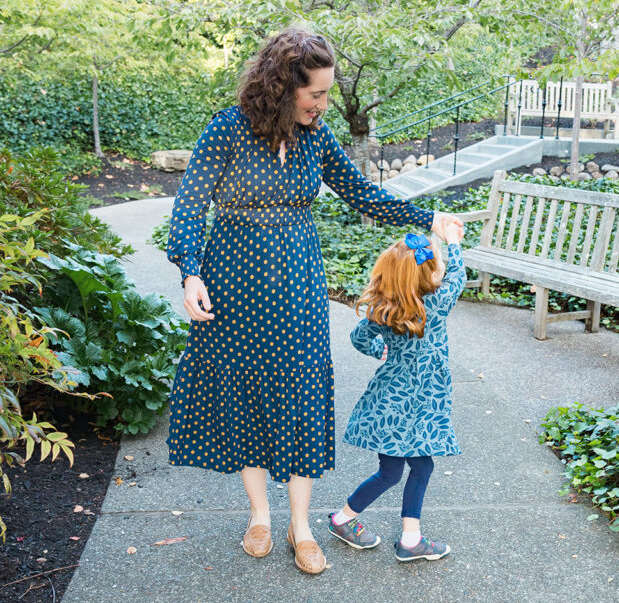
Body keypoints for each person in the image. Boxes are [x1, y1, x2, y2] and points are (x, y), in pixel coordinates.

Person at [165, 28, 463, 575]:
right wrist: (190, 274)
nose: (322, 104)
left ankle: (301, 526)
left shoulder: (316, 138)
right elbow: (187, 208)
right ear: (281, 88)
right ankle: (259, 516)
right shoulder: (226, 131)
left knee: (299, 392)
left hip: (299, 284)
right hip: (231, 284)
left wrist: (428, 219)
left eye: (327, 94)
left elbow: (362, 194)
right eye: (315, 94)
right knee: (243, 393)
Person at [328, 222, 466, 561]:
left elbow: (359, 338)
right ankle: (409, 540)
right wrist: (453, 243)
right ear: (428, 275)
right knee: (421, 468)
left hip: (389, 401)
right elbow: (458, 277)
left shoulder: (384, 310)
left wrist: (381, 351)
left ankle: (344, 519)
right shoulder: (435, 306)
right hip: (423, 404)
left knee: (391, 471)